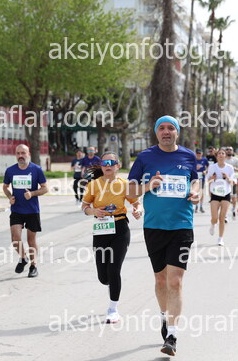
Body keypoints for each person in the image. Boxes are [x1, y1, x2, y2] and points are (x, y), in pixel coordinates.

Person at [127, 115, 200, 356]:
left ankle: (172, 335)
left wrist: (195, 193)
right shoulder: (145, 157)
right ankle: (164, 316)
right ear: (156, 132)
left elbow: (195, 181)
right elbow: (130, 190)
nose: (166, 131)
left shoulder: (188, 156)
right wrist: (149, 186)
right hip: (154, 226)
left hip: (182, 226)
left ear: (177, 132)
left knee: (175, 281)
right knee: (160, 280)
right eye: (162, 128)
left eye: (171, 128)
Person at [81, 152, 142, 323]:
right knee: (103, 277)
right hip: (101, 229)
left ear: (117, 165)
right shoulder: (93, 185)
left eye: (111, 162)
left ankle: (113, 309)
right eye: (104, 163)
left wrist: (138, 210)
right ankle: (111, 284)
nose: (107, 166)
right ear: (101, 166)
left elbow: (137, 203)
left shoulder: (124, 184)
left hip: (120, 228)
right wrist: (93, 211)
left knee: (114, 269)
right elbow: (84, 206)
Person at [3, 144, 48, 278]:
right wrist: (10, 197)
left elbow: (45, 188)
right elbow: (5, 187)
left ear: (28, 154)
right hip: (17, 209)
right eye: (18, 153)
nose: (20, 156)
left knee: (31, 240)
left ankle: (33, 266)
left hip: (32, 210)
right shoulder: (10, 170)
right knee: (15, 238)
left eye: (23, 153)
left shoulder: (36, 169)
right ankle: (23, 258)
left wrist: (32, 194)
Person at [206, 148, 235, 246]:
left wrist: (227, 177)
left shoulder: (230, 168)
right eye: (219, 153)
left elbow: (233, 182)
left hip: (226, 193)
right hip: (215, 193)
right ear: (216, 156)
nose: (221, 155)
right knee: (214, 218)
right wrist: (212, 178)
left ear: (225, 156)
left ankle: (220, 238)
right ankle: (213, 224)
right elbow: (207, 180)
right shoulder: (212, 167)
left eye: (223, 153)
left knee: (222, 218)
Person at [224, 146, 238, 219]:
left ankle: (233, 209)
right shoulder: (223, 160)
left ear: (232, 151)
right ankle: (225, 215)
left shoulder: (236, 160)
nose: (229, 151)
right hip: (223, 182)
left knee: (234, 198)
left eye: (230, 150)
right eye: (227, 149)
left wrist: (233, 168)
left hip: (233, 181)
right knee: (225, 198)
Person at [194, 149, 209, 213]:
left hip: (201, 178)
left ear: (202, 153)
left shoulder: (204, 159)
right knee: (195, 192)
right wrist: (195, 169)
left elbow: (208, 167)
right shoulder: (193, 159)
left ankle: (201, 206)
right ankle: (196, 206)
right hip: (195, 178)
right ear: (196, 154)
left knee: (201, 192)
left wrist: (205, 171)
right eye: (197, 153)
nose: (199, 155)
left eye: (200, 153)